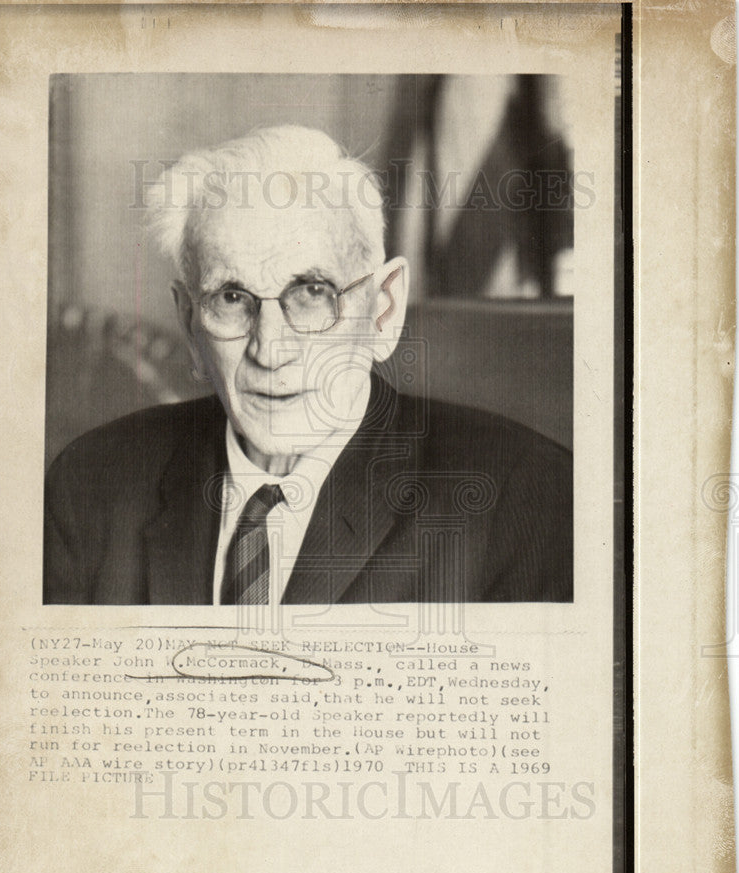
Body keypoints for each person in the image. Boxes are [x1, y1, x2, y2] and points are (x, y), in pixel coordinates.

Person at [43, 125, 572, 605]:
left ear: (383, 309)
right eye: (231, 298)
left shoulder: (524, 499)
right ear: (189, 324)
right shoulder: (91, 484)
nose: (270, 350)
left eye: (312, 292)